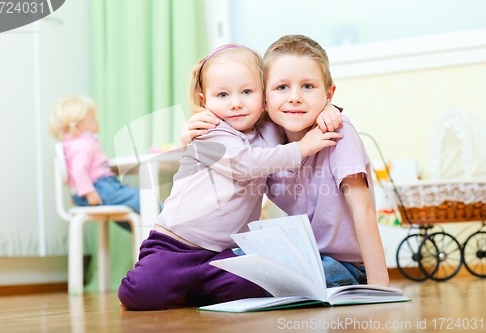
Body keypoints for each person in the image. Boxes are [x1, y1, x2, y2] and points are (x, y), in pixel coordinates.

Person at [118, 44, 343, 311]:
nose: (236, 103)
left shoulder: (269, 129)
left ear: (264, 96)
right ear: (204, 100)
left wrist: (329, 109)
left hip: (225, 253)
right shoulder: (209, 130)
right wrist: (303, 148)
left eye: (247, 92)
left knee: (259, 287)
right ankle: (179, 283)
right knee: (141, 294)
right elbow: (246, 164)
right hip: (176, 245)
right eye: (222, 94)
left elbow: (298, 115)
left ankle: (194, 288)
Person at [182, 35, 389, 288]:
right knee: (228, 266)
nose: (294, 97)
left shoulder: (337, 133)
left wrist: (380, 286)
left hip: (345, 265)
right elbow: (229, 148)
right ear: (264, 99)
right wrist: (188, 138)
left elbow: (363, 210)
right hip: (305, 256)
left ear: (329, 93)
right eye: (282, 87)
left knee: (242, 280)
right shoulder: (264, 141)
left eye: (308, 86)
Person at [48, 95, 140, 231]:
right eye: (93, 119)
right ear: (81, 125)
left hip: (95, 189)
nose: (97, 123)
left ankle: (151, 234)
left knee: (130, 213)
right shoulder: (83, 144)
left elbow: (73, 172)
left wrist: (77, 193)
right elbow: (78, 170)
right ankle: (170, 229)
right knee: (143, 198)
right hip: (100, 188)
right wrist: (88, 192)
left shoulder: (72, 144)